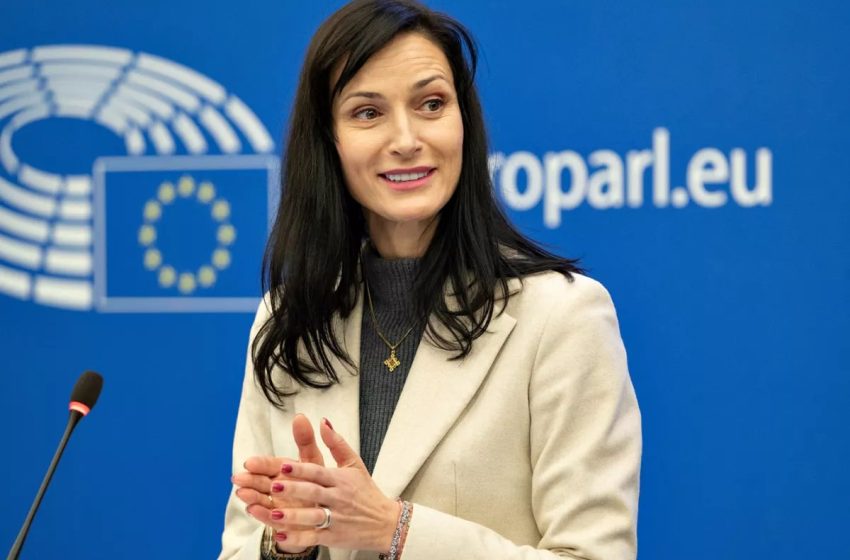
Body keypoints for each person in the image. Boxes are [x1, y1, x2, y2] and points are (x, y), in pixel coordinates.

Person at [219, 1, 641, 559]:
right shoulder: (290, 318)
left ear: (464, 122)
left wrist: (396, 530)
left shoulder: (562, 315)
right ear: (328, 140)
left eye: (432, 104)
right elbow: (242, 545)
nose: (406, 138)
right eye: (368, 112)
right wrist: (286, 547)